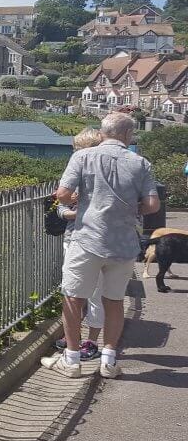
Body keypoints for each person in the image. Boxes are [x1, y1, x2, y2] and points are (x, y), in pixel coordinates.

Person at [42, 112, 160, 379]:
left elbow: (62, 194)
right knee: (114, 300)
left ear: (102, 132)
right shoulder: (141, 163)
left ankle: (71, 360)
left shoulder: (82, 157)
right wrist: (128, 208)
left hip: (87, 239)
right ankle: (108, 359)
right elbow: (153, 205)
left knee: (73, 297)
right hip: (123, 244)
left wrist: (84, 200)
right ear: (129, 135)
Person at [55, 127, 104, 358]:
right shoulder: (72, 174)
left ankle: (91, 341)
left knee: (96, 292)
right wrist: (74, 211)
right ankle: (73, 336)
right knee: (72, 291)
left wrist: (85, 208)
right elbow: (60, 208)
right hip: (73, 237)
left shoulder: (107, 175)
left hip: (99, 239)